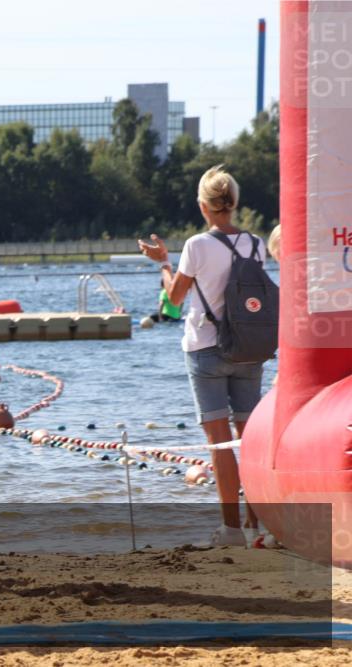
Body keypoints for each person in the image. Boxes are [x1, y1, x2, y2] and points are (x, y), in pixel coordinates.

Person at [138, 165, 267, 547]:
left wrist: (163, 262)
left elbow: (174, 300)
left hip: (206, 349)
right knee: (250, 438)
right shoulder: (256, 244)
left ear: (202, 205)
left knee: (219, 441)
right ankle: (256, 526)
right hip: (249, 348)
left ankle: (230, 531)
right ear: (234, 203)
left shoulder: (196, 245)